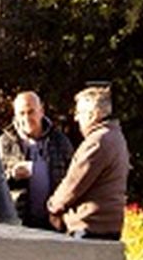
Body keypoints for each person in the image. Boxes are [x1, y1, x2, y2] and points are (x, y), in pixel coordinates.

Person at [47, 86, 129, 240]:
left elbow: (74, 184)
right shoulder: (116, 137)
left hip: (89, 225)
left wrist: (53, 207)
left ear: (94, 114)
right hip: (109, 225)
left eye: (79, 113)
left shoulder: (97, 141)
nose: (76, 118)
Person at [0, 91, 74, 229]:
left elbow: (73, 178)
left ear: (41, 111)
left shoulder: (60, 141)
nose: (26, 118)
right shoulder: (3, 144)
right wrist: (12, 175)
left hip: (54, 223)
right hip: (17, 223)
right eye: (21, 113)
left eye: (31, 112)